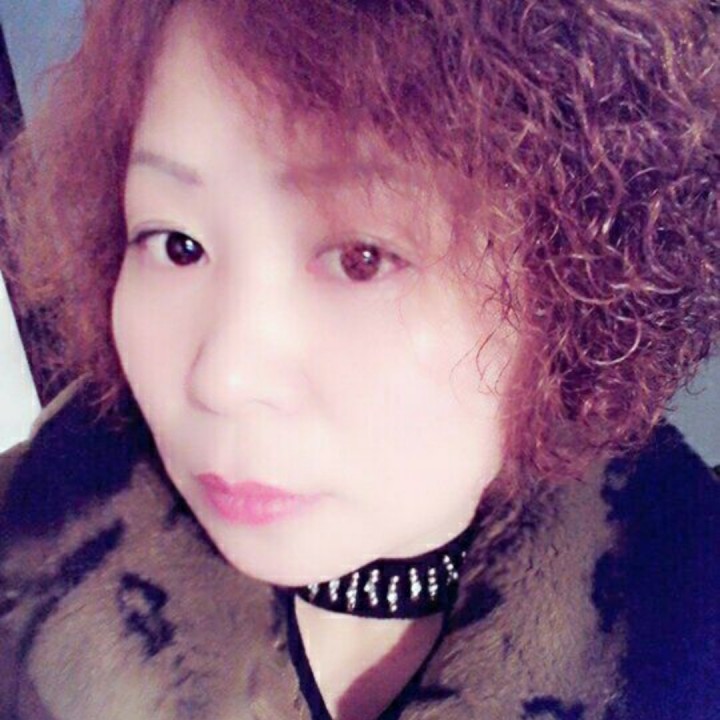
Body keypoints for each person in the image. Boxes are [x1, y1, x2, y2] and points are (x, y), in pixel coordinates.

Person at [0, 1, 718, 718]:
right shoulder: (24, 567)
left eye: (362, 258)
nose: (223, 378)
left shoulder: (679, 629)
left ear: (568, 281)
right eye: (177, 244)